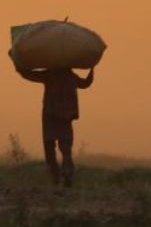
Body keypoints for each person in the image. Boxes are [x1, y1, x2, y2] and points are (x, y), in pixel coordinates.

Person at [11, 56, 94, 187]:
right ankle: (67, 175)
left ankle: (55, 179)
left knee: (49, 148)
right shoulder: (70, 76)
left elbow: (26, 74)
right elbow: (86, 83)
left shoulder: (49, 75)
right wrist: (92, 68)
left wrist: (16, 60)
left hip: (50, 116)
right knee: (66, 149)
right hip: (66, 117)